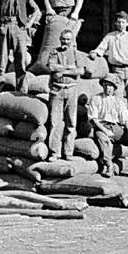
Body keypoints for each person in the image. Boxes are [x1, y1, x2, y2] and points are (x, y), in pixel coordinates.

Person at [87, 74, 128, 178]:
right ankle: (109, 166)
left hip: (116, 127)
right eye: (106, 85)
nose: (108, 88)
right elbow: (93, 119)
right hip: (101, 127)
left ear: (114, 88)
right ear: (102, 86)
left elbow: (125, 119)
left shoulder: (118, 101)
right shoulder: (96, 99)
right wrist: (105, 131)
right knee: (104, 140)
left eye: (110, 86)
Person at [90, 10, 128, 110]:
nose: (121, 24)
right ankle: (119, 123)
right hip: (117, 72)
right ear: (116, 23)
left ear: (127, 23)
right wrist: (95, 52)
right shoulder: (110, 36)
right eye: (119, 22)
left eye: (123, 22)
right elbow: (101, 48)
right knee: (117, 99)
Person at [42, 27, 85, 161]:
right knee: (55, 122)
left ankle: (68, 153)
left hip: (72, 89)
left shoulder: (76, 53)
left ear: (72, 41)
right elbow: (52, 67)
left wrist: (64, 72)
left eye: (68, 39)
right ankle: (55, 152)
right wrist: (70, 67)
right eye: (63, 39)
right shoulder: (54, 52)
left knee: (71, 122)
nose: (65, 42)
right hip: (57, 90)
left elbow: (81, 71)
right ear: (60, 40)